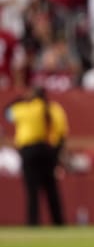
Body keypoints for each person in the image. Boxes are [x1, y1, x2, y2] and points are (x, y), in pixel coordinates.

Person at [4, 86, 65, 226]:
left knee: (32, 190)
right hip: (48, 150)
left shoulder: (25, 109)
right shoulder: (54, 109)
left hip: (29, 151)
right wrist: (56, 154)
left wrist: (21, 98)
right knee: (51, 189)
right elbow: (61, 133)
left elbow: (7, 113)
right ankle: (58, 222)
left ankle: (33, 222)